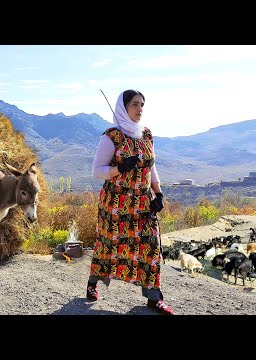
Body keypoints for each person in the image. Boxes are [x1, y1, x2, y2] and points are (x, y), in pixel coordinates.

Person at [86, 89, 174, 315]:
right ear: (123, 107)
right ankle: (93, 282)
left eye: (142, 104)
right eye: (135, 104)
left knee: (151, 247)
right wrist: (120, 168)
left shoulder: (146, 135)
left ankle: (154, 298)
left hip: (143, 203)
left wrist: (159, 194)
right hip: (116, 203)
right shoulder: (112, 136)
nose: (140, 108)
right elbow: (97, 171)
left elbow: (151, 168)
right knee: (109, 244)